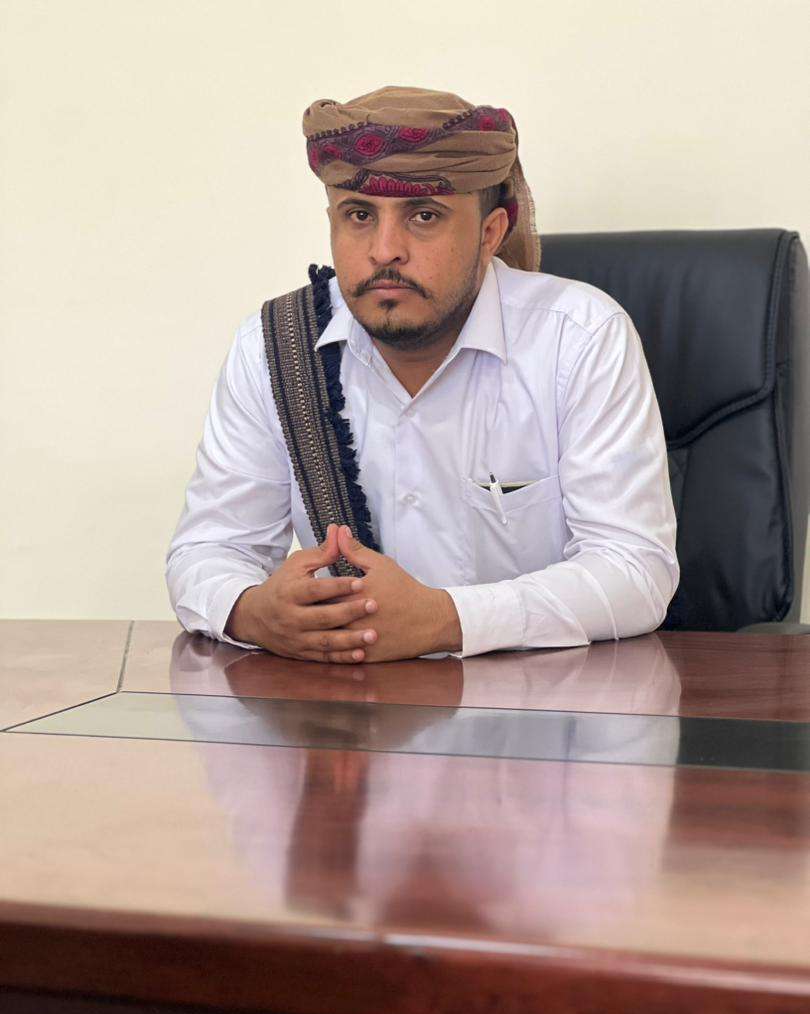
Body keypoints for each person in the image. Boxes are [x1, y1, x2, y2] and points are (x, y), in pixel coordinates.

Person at [166, 85, 678, 665]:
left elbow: (635, 571)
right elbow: (206, 551)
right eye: (359, 215)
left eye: (424, 216)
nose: (385, 250)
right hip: (347, 710)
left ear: (490, 233)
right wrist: (253, 611)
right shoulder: (276, 346)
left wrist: (445, 620)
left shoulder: (578, 338)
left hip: (540, 706)